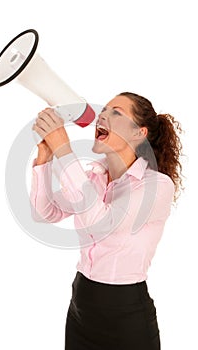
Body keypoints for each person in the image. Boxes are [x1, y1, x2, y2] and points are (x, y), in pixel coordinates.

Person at [31, 92, 183, 350]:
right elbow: (45, 212)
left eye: (116, 112)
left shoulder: (156, 186)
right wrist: (45, 157)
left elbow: (101, 223)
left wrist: (64, 150)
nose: (103, 115)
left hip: (126, 316)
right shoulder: (93, 178)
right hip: (81, 307)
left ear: (139, 133)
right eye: (105, 110)